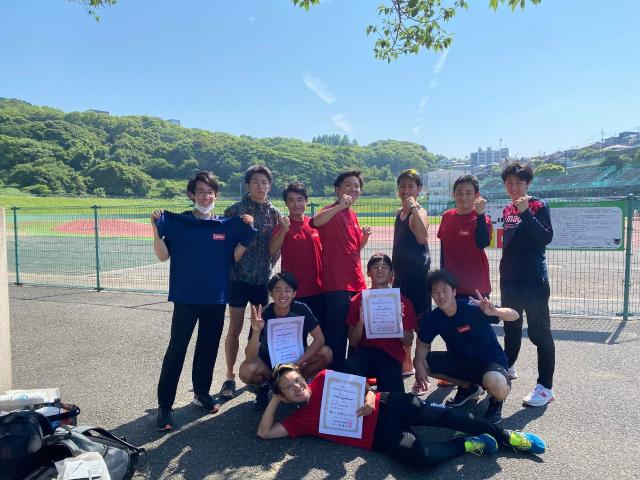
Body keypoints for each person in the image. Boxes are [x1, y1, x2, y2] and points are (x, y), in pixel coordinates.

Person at [256, 364, 546, 468]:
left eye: (297, 380)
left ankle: (508, 437)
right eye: (289, 388)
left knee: (451, 417)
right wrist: (275, 398)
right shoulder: (298, 421)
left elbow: (366, 386)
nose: (298, 387)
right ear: (284, 396)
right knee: (420, 459)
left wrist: (370, 397)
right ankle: (469, 444)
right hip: (380, 436)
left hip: (390, 403)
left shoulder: (322, 378)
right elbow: (264, 432)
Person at [151, 171, 256, 431]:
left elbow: (234, 256)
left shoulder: (224, 225)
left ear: (216, 195)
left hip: (216, 298)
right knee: (177, 350)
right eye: (200, 191)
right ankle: (165, 406)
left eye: (210, 192)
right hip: (186, 297)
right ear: (191, 194)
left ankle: (201, 393)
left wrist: (246, 230)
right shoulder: (180, 222)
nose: (205, 196)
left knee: (208, 348)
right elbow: (163, 256)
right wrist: (155, 229)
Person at [414, 270, 520, 424]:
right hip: (462, 361)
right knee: (423, 363)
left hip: (490, 362)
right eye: (436, 292)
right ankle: (469, 388)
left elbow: (515, 315)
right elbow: (422, 344)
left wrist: (495, 311)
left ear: (454, 291)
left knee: (498, 386)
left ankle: (496, 400)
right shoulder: (433, 318)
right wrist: (418, 364)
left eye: (445, 290)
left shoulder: (472, 307)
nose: (441, 296)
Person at [222, 165, 282, 399]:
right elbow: (225, 242)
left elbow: (276, 247)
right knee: (235, 328)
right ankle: (229, 375)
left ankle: (255, 373)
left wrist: (268, 265)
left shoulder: (274, 213)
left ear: (270, 186)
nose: (260, 186)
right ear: (248, 185)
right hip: (237, 279)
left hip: (261, 280)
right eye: (255, 181)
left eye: (264, 182)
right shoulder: (235, 210)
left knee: (257, 329)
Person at [500, 161, 555, 407]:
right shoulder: (507, 208)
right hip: (510, 281)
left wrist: (525, 212)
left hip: (534, 282)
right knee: (511, 329)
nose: (513, 187)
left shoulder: (538, 205)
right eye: (509, 183)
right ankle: (507, 367)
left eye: (519, 182)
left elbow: (545, 237)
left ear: (528, 183)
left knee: (539, 334)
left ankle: (545, 387)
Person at [238, 272, 332, 410]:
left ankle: (299, 382)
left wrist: (299, 362)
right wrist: (256, 331)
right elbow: (250, 357)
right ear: (271, 293)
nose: (283, 295)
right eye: (278, 290)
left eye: (288, 290)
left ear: (294, 293)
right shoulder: (264, 314)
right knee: (247, 370)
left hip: (297, 362)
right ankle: (265, 388)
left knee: (326, 353)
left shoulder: (301, 309)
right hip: (271, 367)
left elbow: (319, 339)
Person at [311, 171, 371, 369]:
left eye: (357, 186)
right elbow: (315, 222)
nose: (354, 189)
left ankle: (353, 373)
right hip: (336, 283)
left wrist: (364, 238)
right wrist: (339, 206)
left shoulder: (352, 215)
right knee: (337, 333)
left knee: (357, 331)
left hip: (357, 281)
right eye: (348, 185)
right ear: (338, 189)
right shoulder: (331, 210)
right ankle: (334, 376)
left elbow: (354, 249)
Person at [343, 253, 417, 393]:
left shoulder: (403, 302)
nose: (380, 270)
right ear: (368, 273)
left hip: (391, 353)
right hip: (366, 351)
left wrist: (398, 323)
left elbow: (408, 342)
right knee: (347, 370)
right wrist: (360, 324)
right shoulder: (358, 300)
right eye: (375, 267)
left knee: (393, 398)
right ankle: (369, 395)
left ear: (391, 273)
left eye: (384, 267)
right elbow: (352, 341)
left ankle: (377, 396)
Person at [391, 169, 430, 388]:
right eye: (402, 186)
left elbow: (422, 237)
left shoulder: (420, 212)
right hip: (400, 278)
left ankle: (421, 374)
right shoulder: (399, 214)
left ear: (419, 189)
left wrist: (414, 207)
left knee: (422, 327)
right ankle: (406, 364)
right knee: (402, 325)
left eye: (411, 186)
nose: (406, 190)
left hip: (418, 279)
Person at [269, 181, 325, 325]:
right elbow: (272, 250)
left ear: (306, 201)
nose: (296, 204)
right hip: (293, 292)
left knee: (322, 333)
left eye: (300, 199)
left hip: (318, 289)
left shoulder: (315, 224)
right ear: (286, 203)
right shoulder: (282, 226)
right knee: (296, 335)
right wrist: (283, 230)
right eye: (291, 200)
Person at [438, 174, 492, 299]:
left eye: (468, 193)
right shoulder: (447, 216)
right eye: (459, 193)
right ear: (453, 194)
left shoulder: (483, 219)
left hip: (477, 288)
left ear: (476, 196)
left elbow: (483, 243)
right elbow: (443, 249)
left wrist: (480, 214)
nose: (463, 197)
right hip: (452, 286)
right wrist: (443, 275)